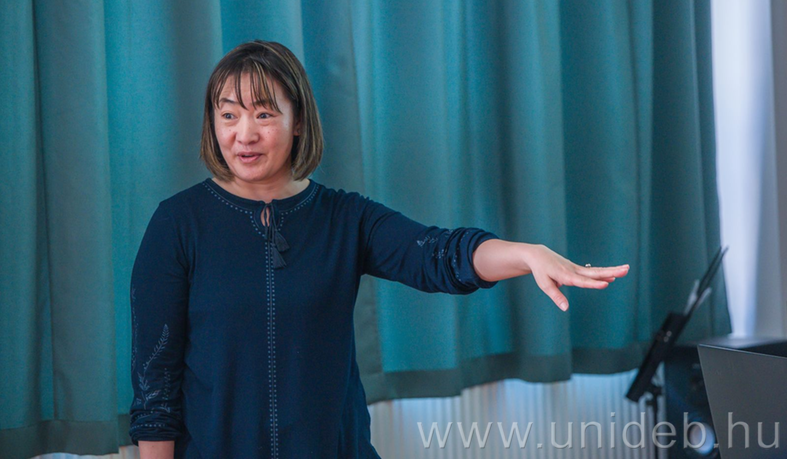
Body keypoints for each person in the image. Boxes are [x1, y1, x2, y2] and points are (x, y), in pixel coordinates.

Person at [129, 40, 629, 458]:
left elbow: (438, 255)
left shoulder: (345, 217)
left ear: (298, 121)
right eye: (229, 115)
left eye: (264, 113)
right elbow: (156, 381)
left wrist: (526, 254)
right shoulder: (177, 223)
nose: (245, 134)